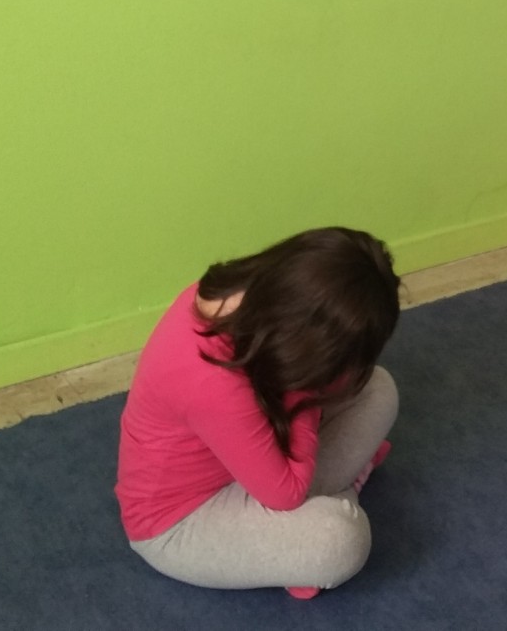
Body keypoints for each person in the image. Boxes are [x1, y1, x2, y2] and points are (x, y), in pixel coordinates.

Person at [115, 227, 401, 599]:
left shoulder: (246, 299)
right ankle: (331, 502)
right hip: (181, 521)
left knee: (378, 387)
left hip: (256, 460)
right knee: (341, 539)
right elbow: (286, 494)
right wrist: (304, 387)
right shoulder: (210, 380)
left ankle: (323, 503)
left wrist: (309, 376)